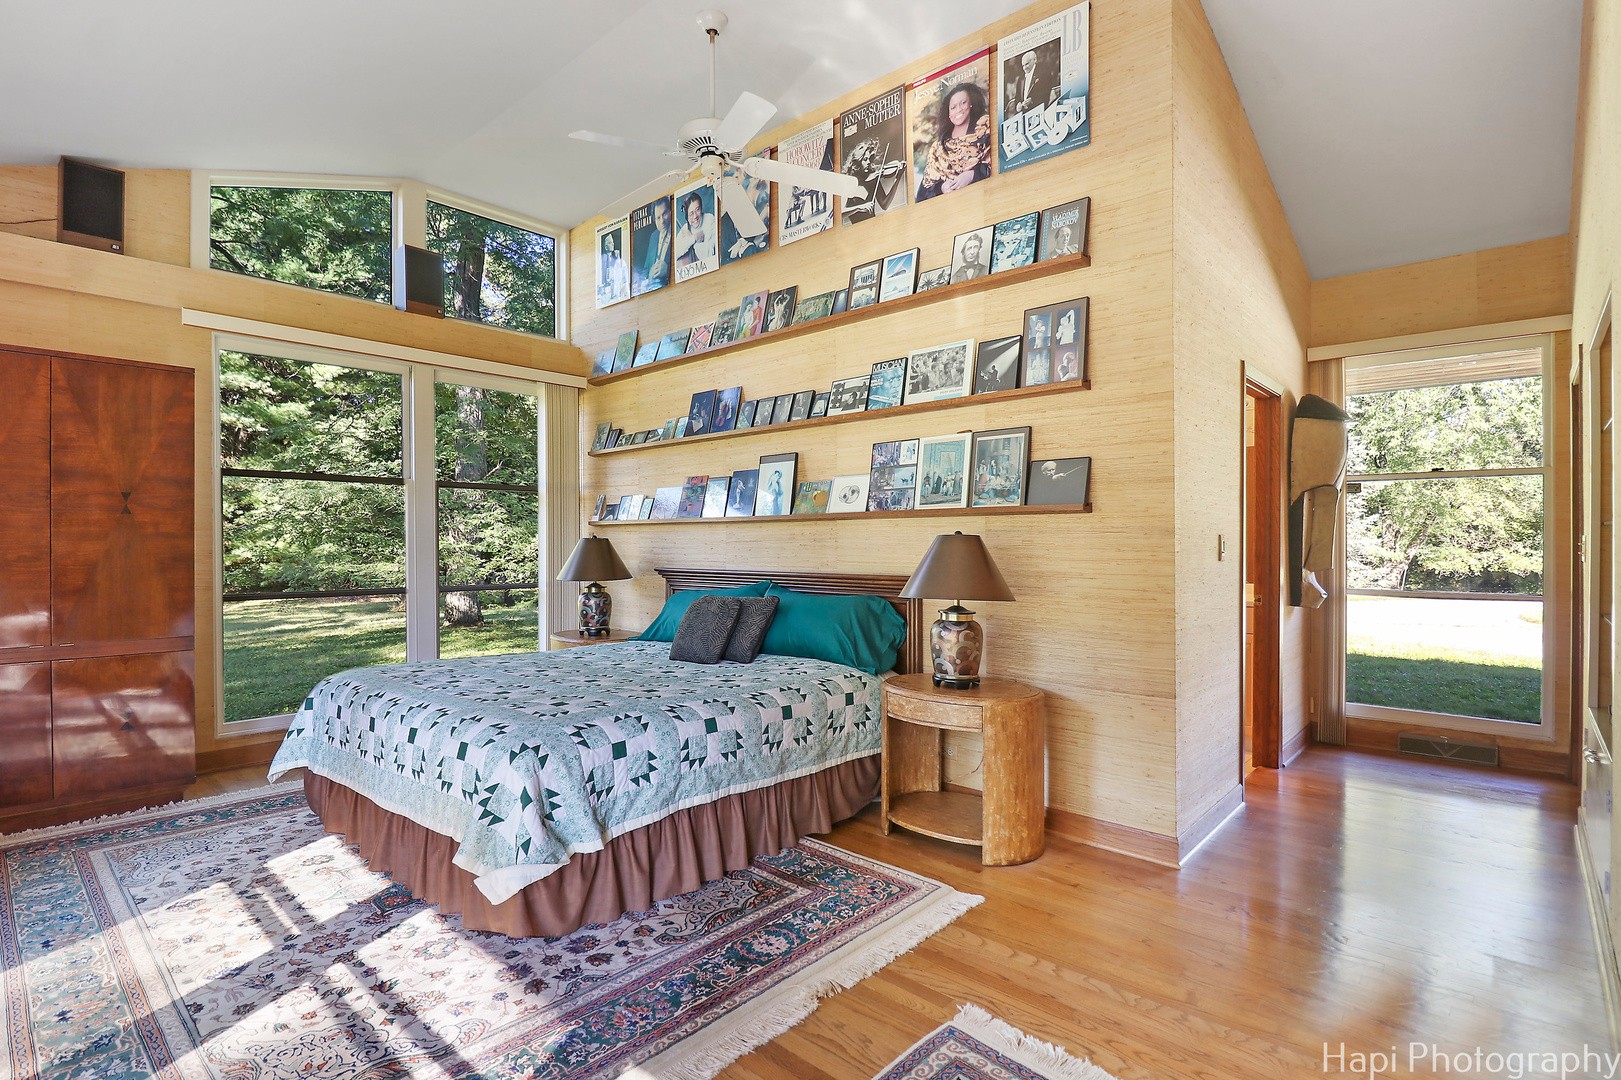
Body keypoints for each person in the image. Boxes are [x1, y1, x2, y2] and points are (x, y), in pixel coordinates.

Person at [917, 82, 992, 201]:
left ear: (971, 104)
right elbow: (923, 194)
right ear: (949, 113)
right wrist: (942, 188)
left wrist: (972, 175)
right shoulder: (938, 148)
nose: (959, 110)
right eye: (953, 107)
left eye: (963, 103)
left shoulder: (986, 131)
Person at [674, 192, 716, 277]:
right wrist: (693, 238)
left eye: (697, 209)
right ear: (687, 216)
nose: (695, 216)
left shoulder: (710, 219)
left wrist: (693, 243)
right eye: (691, 213)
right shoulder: (685, 228)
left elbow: (709, 253)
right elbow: (676, 252)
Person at [1006, 48, 1055, 115]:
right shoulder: (1021, 78)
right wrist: (1018, 104)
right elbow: (1018, 97)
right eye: (1023, 65)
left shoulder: (1043, 72)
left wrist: (1032, 100)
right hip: (1025, 114)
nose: (1024, 68)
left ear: (1034, 60)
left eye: (1027, 64)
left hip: (1041, 111)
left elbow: (1047, 90)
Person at [638, 199, 671, 293]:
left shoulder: (678, 230)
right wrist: (648, 277)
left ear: (670, 212)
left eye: (664, 214)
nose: (662, 221)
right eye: (658, 218)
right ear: (655, 220)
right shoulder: (653, 236)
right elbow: (645, 269)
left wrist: (667, 270)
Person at [598, 232, 627, 300]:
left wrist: (618, 259)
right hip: (606, 289)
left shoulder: (615, 258)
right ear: (606, 247)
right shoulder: (603, 258)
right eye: (610, 243)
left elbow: (621, 273)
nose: (613, 244)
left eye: (613, 242)